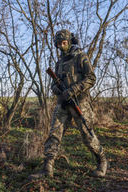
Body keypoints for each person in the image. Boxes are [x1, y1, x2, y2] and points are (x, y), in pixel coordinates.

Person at [29, 29, 107, 179]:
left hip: (80, 102)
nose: (61, 46)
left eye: (63, 43)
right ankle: (47, 168)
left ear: (70, 41)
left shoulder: (81, 57)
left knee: (87, 135)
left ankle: (102, 161)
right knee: (54, 134)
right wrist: (57, 89)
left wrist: (73, 90)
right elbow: (53, 84)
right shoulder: (59, 63)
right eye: (58, 44)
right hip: (63, 103)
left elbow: (91, 78)